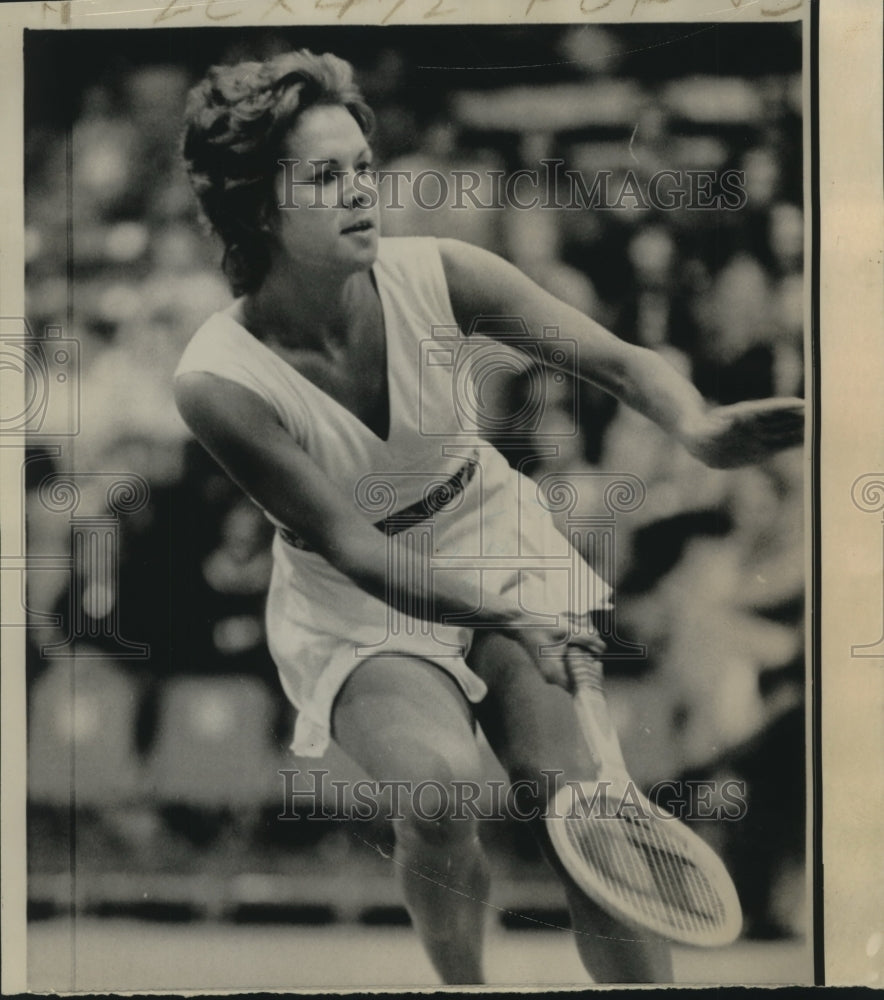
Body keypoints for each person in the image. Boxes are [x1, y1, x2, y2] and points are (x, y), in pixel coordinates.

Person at [175, 50, 804, 985]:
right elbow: (353, 549)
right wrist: (512, 617)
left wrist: (698, 425)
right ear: (257, 205)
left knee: (580, 806)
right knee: (438, 795)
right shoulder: (217, 382)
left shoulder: (442, 272)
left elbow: (623, 362)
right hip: (358, 598)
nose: (360, 192)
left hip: (494, 536)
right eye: (324, 176)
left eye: (362, 168)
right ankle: (464, 988)